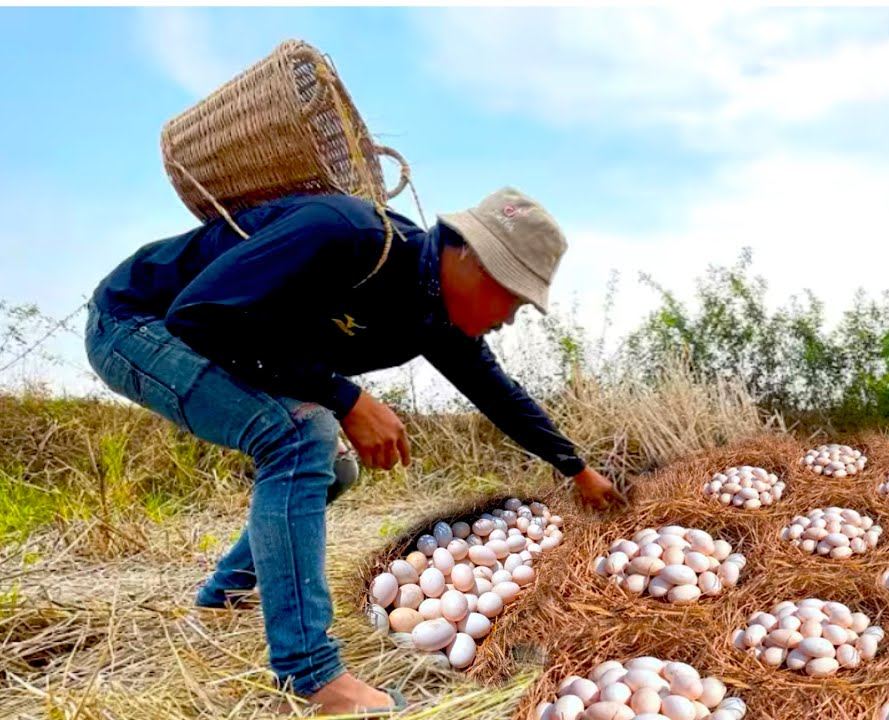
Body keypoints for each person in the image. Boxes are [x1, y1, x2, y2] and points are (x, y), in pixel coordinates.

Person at [83, 186, 624, 715]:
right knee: (301, 436)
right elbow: (201, 316)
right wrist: (344, 397)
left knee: (333, 469)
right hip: (137, 322)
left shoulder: (434, 311)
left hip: (206, 332)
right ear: (474, 262)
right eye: (513, 297)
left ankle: (224, 597)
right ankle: (312, 675)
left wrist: (576, 469)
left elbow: (498, 394)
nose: (509, 318)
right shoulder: (344, 234)